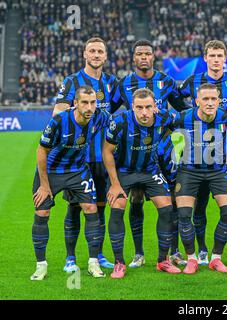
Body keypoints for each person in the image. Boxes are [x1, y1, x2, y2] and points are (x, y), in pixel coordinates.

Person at [111, 39, 188, 268]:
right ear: (133, 58)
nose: (144, 57)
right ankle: (138, 253)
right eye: (139, 54)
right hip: (135, 151)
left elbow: (183, 109)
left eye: (147, 53)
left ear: (153, 56)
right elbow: (109, 111)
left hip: (164, 150)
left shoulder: (166, 81)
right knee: (135, 199)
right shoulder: (124, 83)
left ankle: (172, 252)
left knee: (171, 199)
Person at [178, 40, 227, 265]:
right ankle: (201, 250)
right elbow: (176, 100)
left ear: (225, 59)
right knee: (199, 203)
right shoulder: (193, 82)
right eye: (212, 55)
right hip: (199, 153)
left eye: (220, 55)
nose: (216, 59)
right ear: (206, 58)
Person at [31, 86, 111, 280]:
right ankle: (41, 266)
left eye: (93, 103)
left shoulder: (100, 116)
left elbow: (120, 123)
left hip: (77, 170)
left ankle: (93, 262)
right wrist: (44, 185)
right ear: (76, 103)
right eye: (84, 102)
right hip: (51, 172)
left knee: (91, 210)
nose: (89, 107)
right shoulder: (59, 121)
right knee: (42, 212)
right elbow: (42, 151)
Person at [103, 88, 181, 278]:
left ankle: (163, 260)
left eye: (148, 107)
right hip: (125, 171)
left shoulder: (164, 118)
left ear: (155, 106)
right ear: (132, 107)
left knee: (166, 208)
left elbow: (182, 124)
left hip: (150, 170)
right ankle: (119, 263)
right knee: (118, 206)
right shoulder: (120, 122)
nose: (144, 112)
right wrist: (114, 184)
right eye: (139, 107)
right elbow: (107, 151)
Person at [53, 37, 117, 271]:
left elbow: (118, 114)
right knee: (74, 207)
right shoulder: (72, 82)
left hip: (101, 159)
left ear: (106, 56)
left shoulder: (111, 83)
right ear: (84, 54)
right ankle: (70, 258)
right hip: (77, 160)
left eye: (100, 51)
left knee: (99, 208)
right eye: (92, 51)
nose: (96, 54)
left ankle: (97, 255)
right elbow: (58, 113)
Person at [174, 83, 227, 274]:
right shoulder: (182, 118)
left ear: (219, 101)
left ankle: (216, 258)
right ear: (197, 101)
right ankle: (191, 259)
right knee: (184, 215)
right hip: (189, 170)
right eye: (205, 99)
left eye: (213, 99)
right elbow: (164, 130)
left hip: (218, 170)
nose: (210, 103)